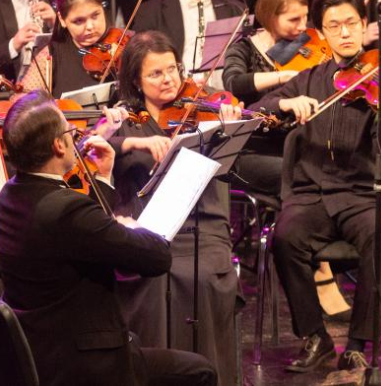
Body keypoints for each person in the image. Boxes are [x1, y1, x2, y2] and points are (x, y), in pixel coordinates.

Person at [0, 89, 218, 386]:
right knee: (201, 372)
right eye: (70, 132)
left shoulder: (10, 196)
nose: (75, 138)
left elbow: (80, 234)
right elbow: (156, 259)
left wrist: (103, 178)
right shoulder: (66, 210)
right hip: (84, 364)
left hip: (38, 349)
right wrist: (134, 229)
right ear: (58, 146)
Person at [250, 0, 381, 373]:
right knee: (285, 237)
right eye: (334, 26)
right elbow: (259, 110)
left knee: (379, 234)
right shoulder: (308, 79)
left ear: (364, 24)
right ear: (321, 32)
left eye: (351, 23)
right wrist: (285, 102)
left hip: (365, 193)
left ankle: (358, 344)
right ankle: (316, 337)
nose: (345, 33)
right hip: (313, 192)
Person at [110, 30, 241, 386]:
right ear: (135, 81)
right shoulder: (124, 121)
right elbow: (90, 148)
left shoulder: (202, 115)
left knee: (204, 276)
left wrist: (227, 128)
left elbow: (229, 172)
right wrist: (130, 143)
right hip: (146, 229)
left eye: (172, 69)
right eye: (155, 73)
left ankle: (210, 375)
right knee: (156, 278)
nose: (168, 79)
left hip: (203, 226)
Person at [222, 0, 353, 320]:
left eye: (305, 17)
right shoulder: (246, 47)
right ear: (270, 15)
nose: (302, 27)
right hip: (251, 150)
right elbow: (234, 82)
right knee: (300, 177)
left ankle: (326, 249)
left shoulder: (308, 45)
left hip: (298, 144)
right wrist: (287, 78)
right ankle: (322, 273)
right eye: (293, 19)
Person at [19, 0, 111, 97]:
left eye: (95, 16)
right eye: (79, 21)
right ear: (62, 19)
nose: (90, 26)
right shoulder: (50, 56)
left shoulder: (122, 44)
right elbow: (22, 99)